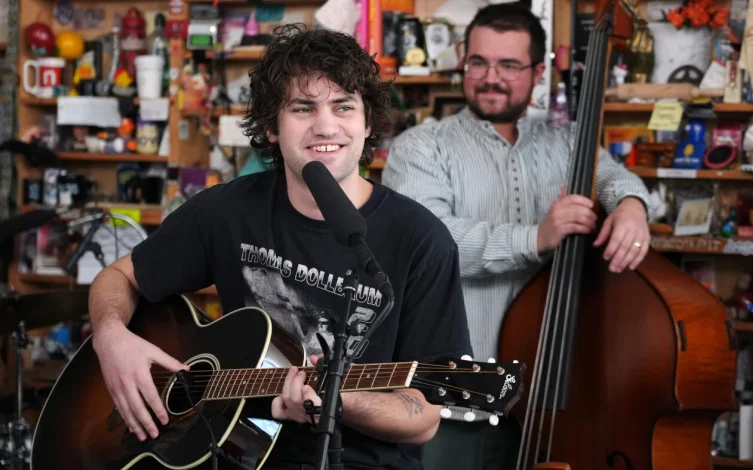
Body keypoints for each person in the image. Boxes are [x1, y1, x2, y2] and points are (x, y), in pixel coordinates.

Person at [87, 24, 472, 470]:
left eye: (344, 106)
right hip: (229, 452)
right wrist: (111, 338)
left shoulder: (421, 239)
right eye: (303, 108)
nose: (325, 126)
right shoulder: (227, 210)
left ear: (367, 123)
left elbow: (424, 416)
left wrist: (334, 399)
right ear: (271, 125)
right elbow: (117, 277)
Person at [382, 2, 652, 469]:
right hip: (458, 399)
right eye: (479, 62)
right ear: (463, 62)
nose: (491, 78)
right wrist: (535, 238)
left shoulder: (568, 141)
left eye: (509, 65)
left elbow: (614, 178)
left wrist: (632, 204)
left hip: (555, 396)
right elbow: (431, 245)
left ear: (537, 72)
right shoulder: (421, 147)